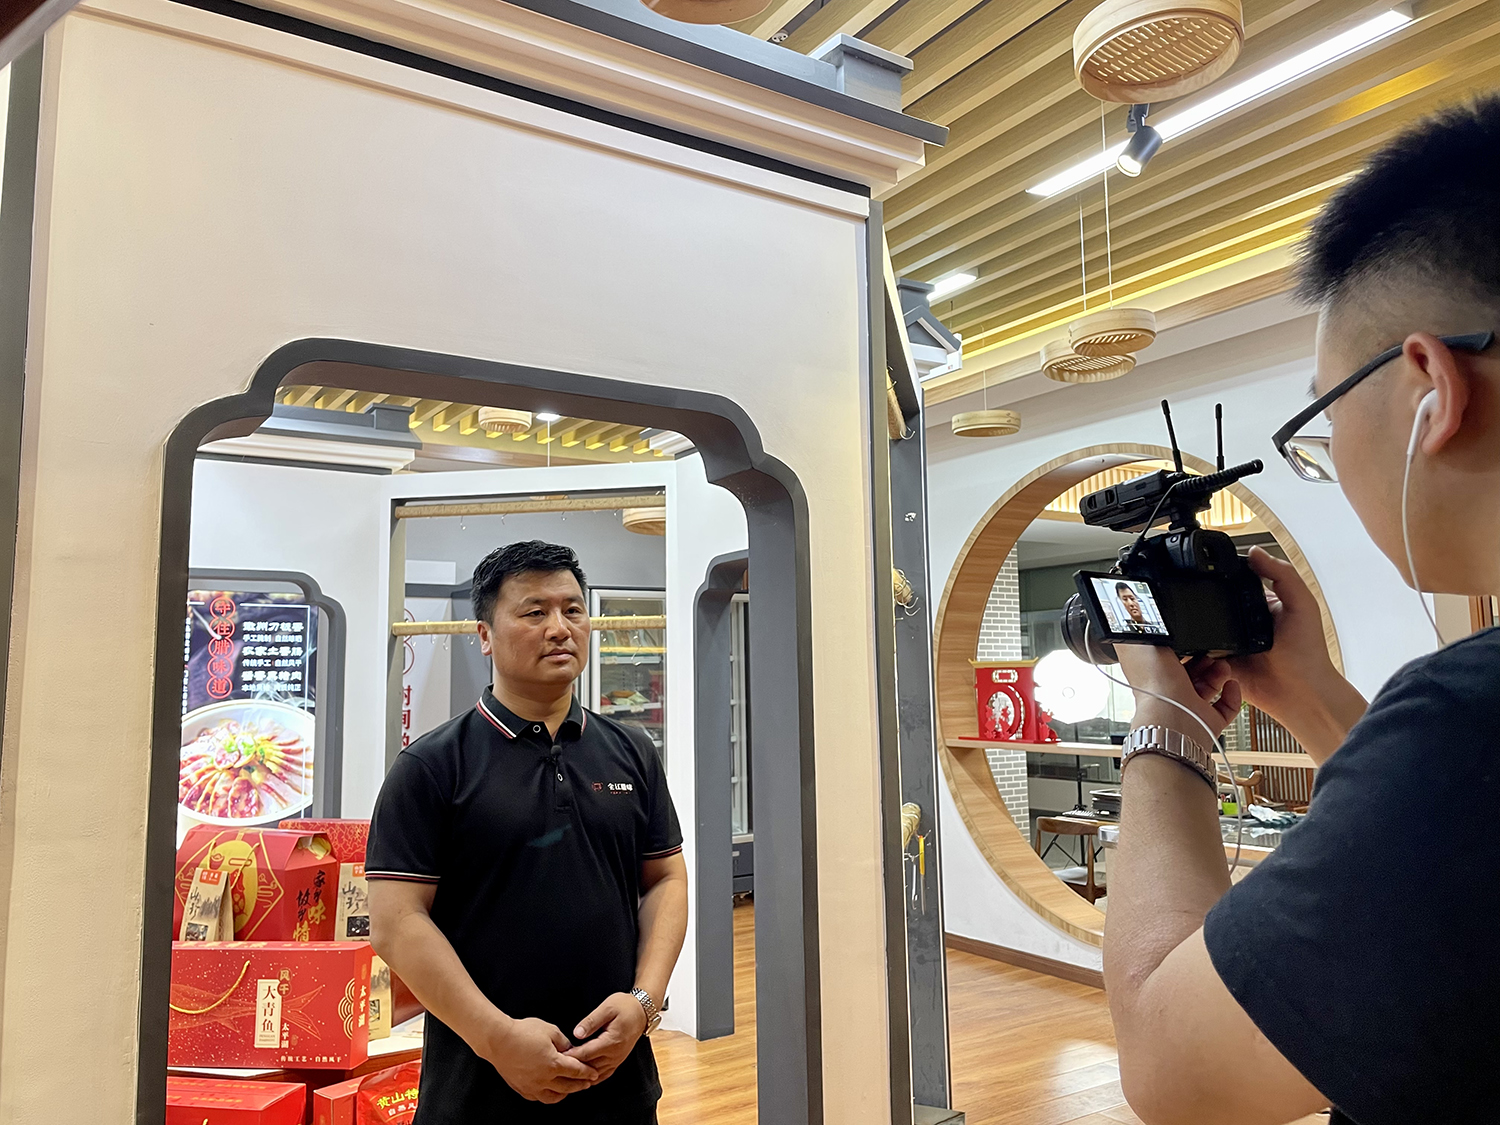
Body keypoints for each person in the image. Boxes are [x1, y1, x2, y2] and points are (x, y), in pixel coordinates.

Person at [1103, 96, 1500, 1125]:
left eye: (1322, 418)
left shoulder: (1468, 720)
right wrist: (1312, 691)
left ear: (1430, 384)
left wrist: (1164, 713)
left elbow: (1169, 1062)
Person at [366, 540, 688, 1124]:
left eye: (573, 610)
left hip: (618, 1081)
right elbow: (396, 922)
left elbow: (665, 878)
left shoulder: (632, 751)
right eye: (535, 612)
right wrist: (496, 1038)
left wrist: (644, 1001)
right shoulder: (433, 766)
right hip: (477, 1091)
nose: (560, 628)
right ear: (485, 635)